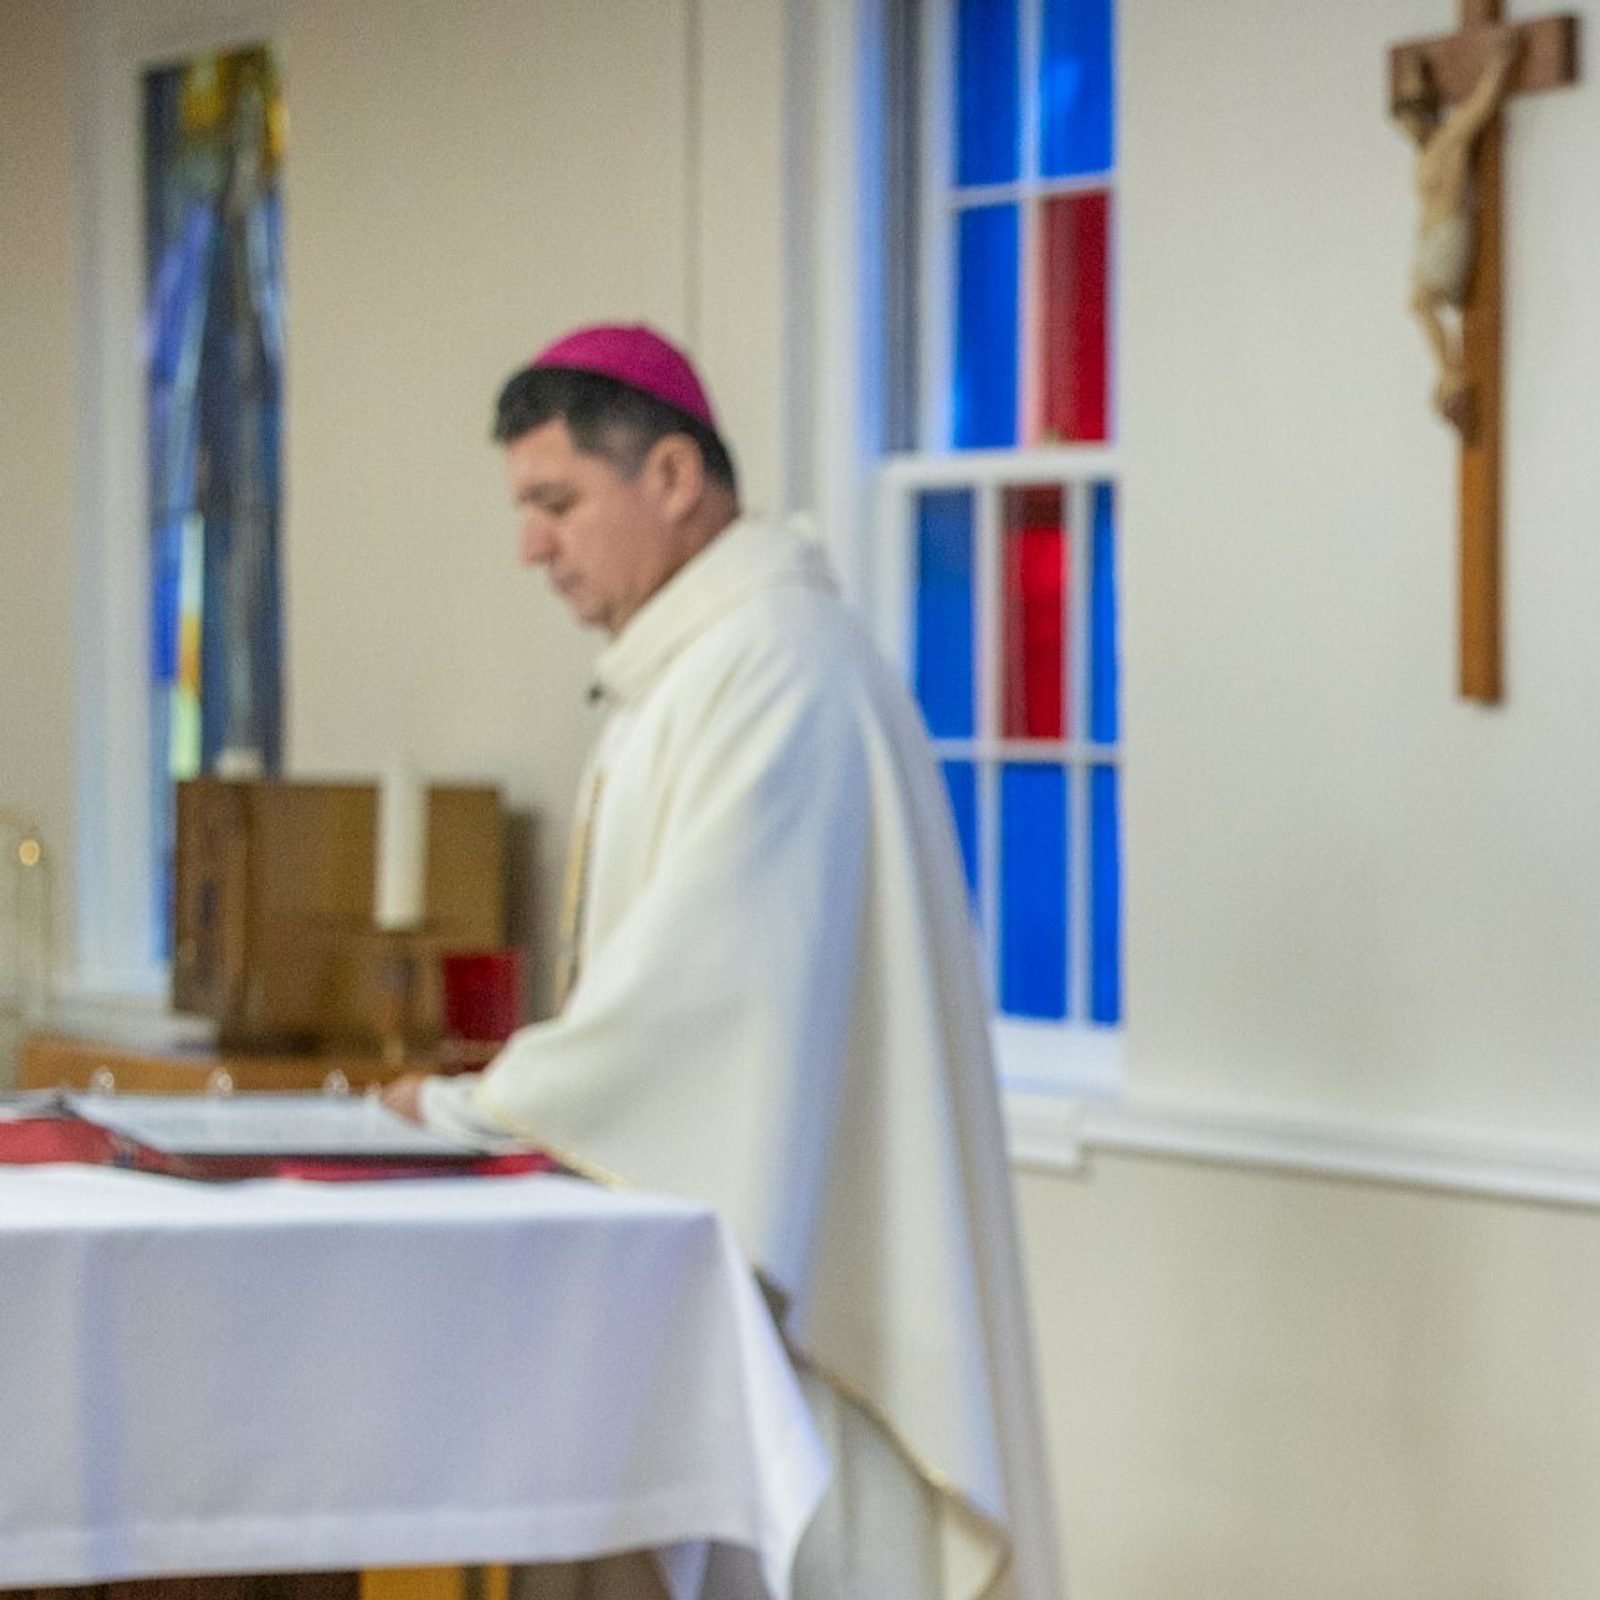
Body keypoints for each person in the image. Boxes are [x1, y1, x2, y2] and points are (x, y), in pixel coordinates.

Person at [382, 324, 1061, 1600]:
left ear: (675, 478)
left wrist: (479, 1108)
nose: (530, 545)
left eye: (556, 502)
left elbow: (696, 1012)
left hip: (811, 1316)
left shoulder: (775, 671)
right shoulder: (698, 670)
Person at [1393, 32, 1523, 434]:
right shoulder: (1426, 151)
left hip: (1451, 235)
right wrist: (1415, 71)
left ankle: (1451, 375)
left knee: (1420, 301)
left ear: (1427, 114)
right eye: (1405, 119)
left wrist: (1500, 63)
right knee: (1418, 301)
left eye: (1414, 116)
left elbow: (1482, 106)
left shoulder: (1450, 139)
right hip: (1433, 237)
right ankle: (1450, 377)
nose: (1408, 126)